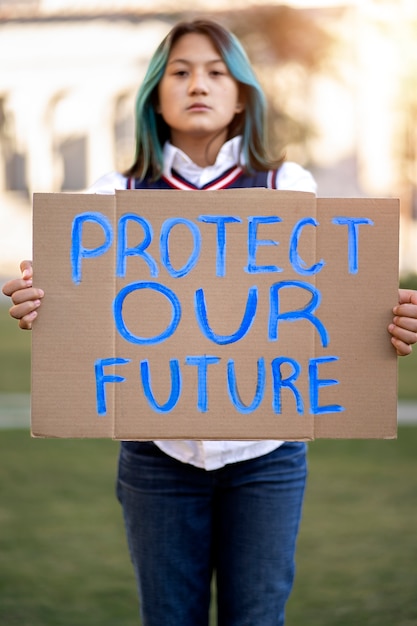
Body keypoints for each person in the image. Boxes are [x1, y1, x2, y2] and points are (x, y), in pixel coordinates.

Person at [3, 19, 417, 626]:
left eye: (217, 72)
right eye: (180, 71)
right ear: (155, 94)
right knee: (169, 618)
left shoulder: (288, 188)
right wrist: (37, 302)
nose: (199, 84)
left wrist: (388, 326)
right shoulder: (109, 197)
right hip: (156, 455)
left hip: (267, 456)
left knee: (257, 618)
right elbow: (68, 302)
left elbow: (328, 310)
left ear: (243, 93)